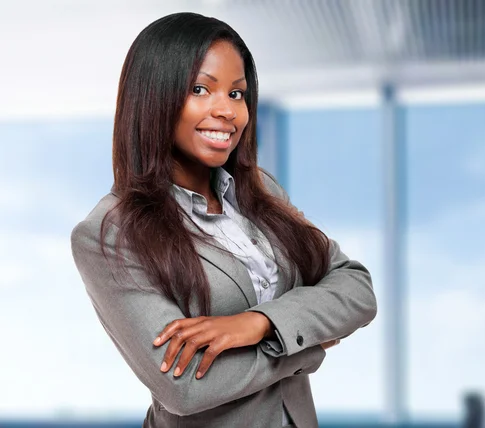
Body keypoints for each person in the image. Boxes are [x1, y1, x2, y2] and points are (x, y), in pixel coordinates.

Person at [70, 11, 377, 428]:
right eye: (201, 89)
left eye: (237, 94)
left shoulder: (260, 191)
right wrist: (308, 343)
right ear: (153, 98)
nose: (228, 111)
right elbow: (185, 388)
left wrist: (259, 324)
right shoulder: (109, 234)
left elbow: (355, 286)